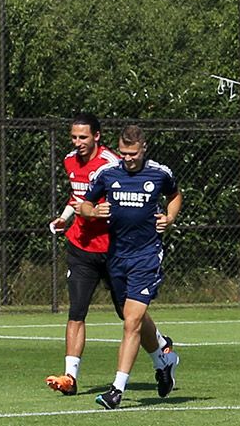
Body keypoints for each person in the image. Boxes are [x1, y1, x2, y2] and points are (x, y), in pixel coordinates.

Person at [47, 112, 171, 398]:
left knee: (129, 316)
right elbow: (78, 198)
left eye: (83, 137)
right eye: (74, 137)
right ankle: (70, 377)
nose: (77, 142)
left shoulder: (112, 163)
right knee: (76, 311)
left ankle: (161, 352)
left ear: (97, 136)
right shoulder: (69, 161)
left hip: (114, 249)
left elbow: (131, 197)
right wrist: (66, 218)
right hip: (81, 247)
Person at [75, 126, 182, 410]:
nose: (128, 159)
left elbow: (175, 195)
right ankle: (164, 358)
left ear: (143, 148)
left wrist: (169, 217)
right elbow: (83, 205)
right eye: (123, 153)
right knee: (134, 317)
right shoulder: (108, 173)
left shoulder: (160, 173)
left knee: (131, 322)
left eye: (133, 154)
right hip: (117, 258)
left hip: (146, 256)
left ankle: (116, 390)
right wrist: (93, 211)